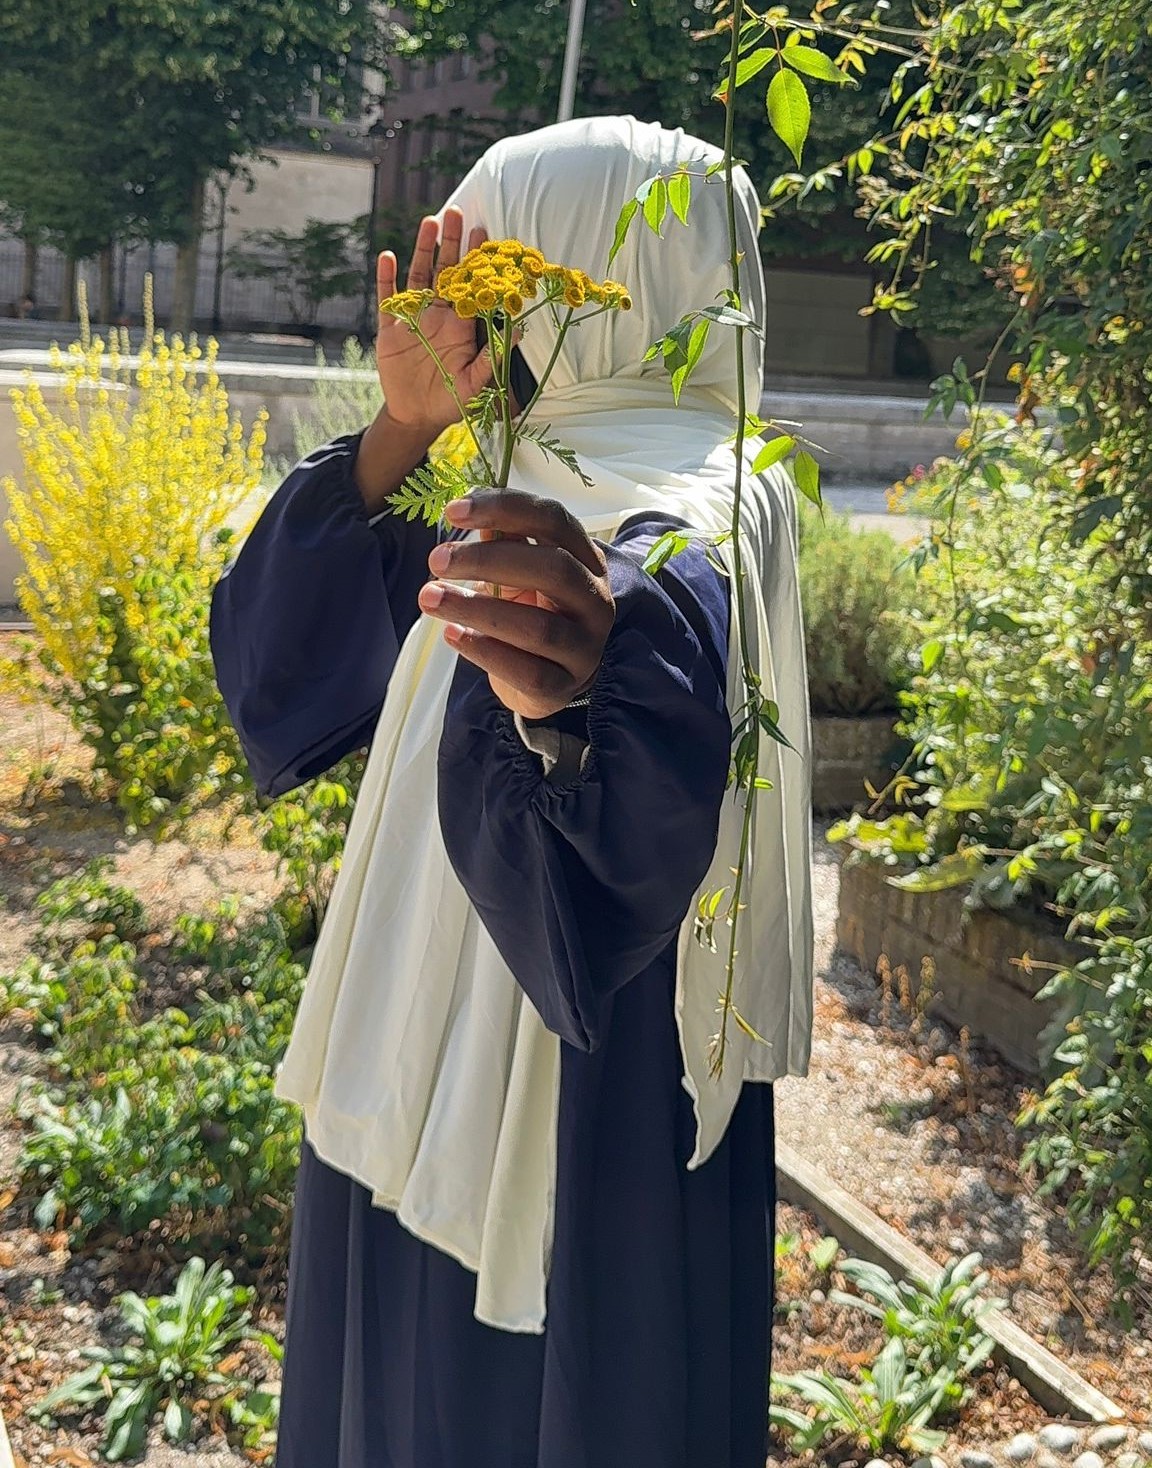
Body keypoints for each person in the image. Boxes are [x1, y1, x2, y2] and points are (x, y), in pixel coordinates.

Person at [210, 115, 813, 1468]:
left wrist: (572, 701)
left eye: (497, 276)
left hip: (558, 1100)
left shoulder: (675, 511)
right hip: (438, 1045)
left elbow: (626, 812)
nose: (471, 311)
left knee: (486, 1406)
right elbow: (278, 650)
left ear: (610, 280)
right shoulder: (574, 471)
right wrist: (403, 427)